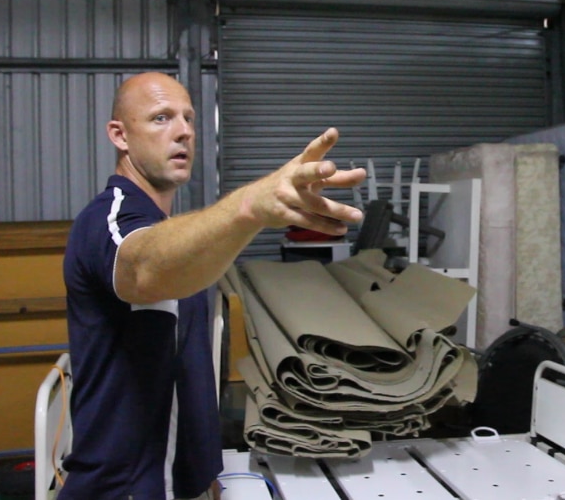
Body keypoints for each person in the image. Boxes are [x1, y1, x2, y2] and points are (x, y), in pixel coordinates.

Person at [60, 72, 366, 500]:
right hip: (123, 488)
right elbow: (144, 267)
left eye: (188, 118)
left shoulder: (171, 230)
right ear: (120, 135)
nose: (184, 131)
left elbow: (185, 366)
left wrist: (203, 473)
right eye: (161, 118)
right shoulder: (107, 221)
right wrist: (248, 208)